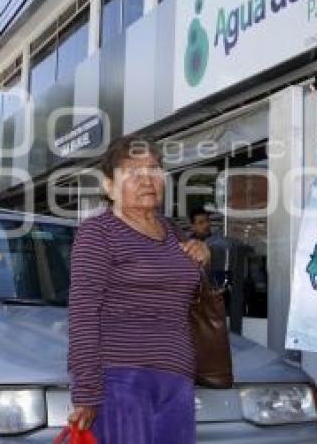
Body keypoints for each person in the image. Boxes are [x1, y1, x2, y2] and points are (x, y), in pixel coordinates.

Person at [67, 135, 210, 444]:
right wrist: (87, 393)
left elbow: (182, 294)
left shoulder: (174, 231)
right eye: (132, 172)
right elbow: (83, 314)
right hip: (121, 381)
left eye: (154, 169)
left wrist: (201, 255)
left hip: (177, 379)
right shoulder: (98, 232)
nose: (147, 179)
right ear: (109, 186)